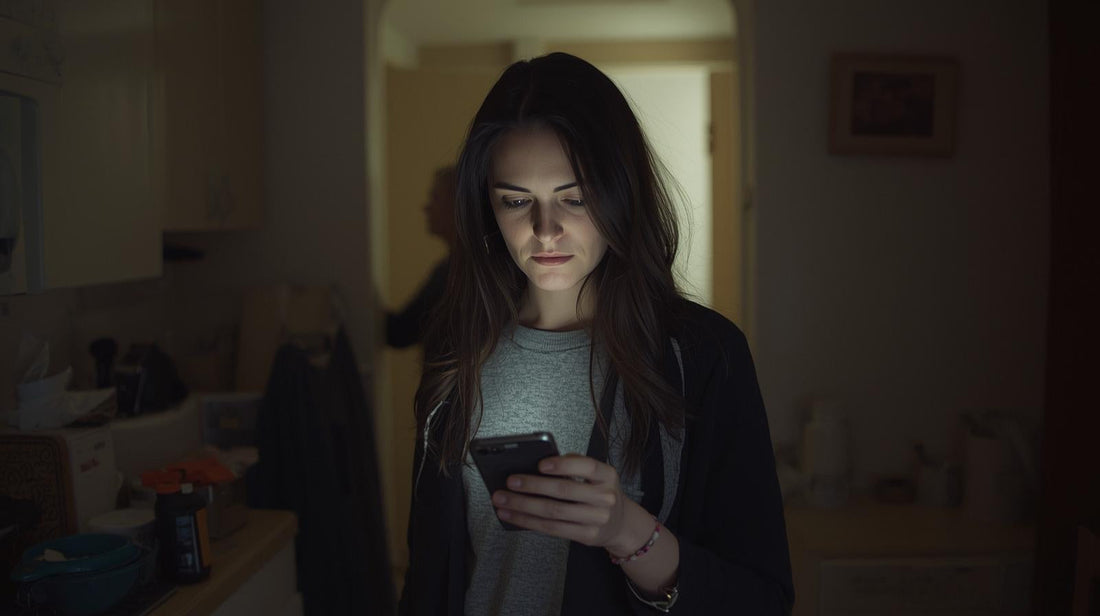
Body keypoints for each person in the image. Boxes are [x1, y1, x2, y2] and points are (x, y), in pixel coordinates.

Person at [399, 53, 793, 615]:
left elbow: (763, 600)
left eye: (575, 198)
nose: (544, 230)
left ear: (620, 192)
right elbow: (429, 576)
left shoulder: (705, 357)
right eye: (515, 201)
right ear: (486, 208)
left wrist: (627, 531)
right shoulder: (457, 353)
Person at [385, 166, 458, 348]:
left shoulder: (450, 275)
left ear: (456, 206)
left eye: (435, 198)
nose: (426, 207)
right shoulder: (456, 270)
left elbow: (399, 333)